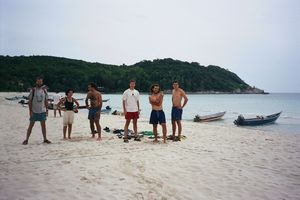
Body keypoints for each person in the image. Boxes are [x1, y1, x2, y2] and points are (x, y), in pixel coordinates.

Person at [22, 77, 51, 145]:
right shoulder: (33, 90)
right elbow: (30, 102)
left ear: (42, 82)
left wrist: (47, 110)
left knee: (43, 126)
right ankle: (26, 139)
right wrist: (30, 111)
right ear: (36, 82)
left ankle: (45, 139)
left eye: (41, 82)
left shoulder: (44, 90)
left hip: (42, 111)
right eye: (38, 82)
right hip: (34, 111)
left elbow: (46, 101)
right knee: (31, 125)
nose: (39, 83)